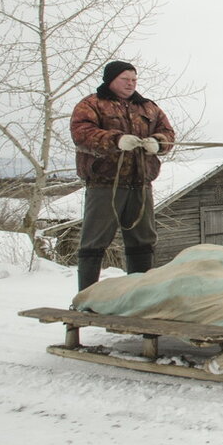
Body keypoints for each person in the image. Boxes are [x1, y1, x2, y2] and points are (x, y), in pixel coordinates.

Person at [70, 60, 176, 292]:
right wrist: (115, 140)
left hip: (141, 184)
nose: (130, 84)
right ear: (110, 80)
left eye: (134, 80)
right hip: (104, 184)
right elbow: (81, 134)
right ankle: (86, 300)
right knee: (94, 242)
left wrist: (158, 142)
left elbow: (168, 133)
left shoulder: (148, 108)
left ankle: (139, 298)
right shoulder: (91, 105)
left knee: (143, 242)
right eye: (125, 79)